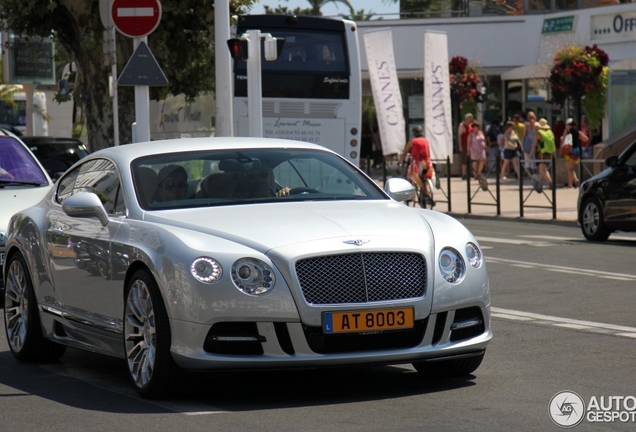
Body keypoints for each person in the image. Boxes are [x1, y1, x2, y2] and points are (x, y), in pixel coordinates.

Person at [398, 125, 434, 207]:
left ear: (414, 133)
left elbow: (405, 152)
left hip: (417, 165)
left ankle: (410, 196)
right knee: (425, 178)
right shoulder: (426, 141)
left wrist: (400, 160)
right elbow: (428, 153)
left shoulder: (413, 141)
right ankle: (426, 194)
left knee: (410, 178)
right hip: (427, 164)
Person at [561, 118, 589, 188]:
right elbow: (586, 139)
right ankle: (575, 180)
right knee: (572, 168)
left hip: (569, 150)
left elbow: (563, 140)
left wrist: (562, 148)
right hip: (576, 150)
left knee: (569, 169)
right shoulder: (577, 132)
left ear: (568, 125)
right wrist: (578, 139)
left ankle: (570, 184)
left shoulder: (567, 131)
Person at [531, 118, 556, 191]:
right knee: (541, 169)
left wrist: (530, 154)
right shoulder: (550, 132)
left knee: (543, 169)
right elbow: (553, 144)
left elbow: (534, 145)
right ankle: (539, 184)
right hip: (549, 153)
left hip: (541, 153)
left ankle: (551, 183)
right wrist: (554, 154)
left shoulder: (539, 133)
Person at [467, 120, 488, 190]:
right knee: (475, 163)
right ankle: (475, 175)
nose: (477, 128)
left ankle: (479, 173)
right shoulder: (471, 134)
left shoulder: (481, 133)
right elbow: (468, 143)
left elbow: (484, 141)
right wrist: (468, 151)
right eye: (475, 127)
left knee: (482, 160)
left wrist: (485, 148)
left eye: (478, 127)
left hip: (481, 150)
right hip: (474, 150)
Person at [457, 113, 474, 180]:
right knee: (464, 159)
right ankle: (464, 174)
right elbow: (459, 136)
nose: (471, 119)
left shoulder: (471, 125)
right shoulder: (462, 125)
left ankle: (471, 173)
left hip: (471, 145)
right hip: (464, 144)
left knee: (470, 159)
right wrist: (460, 146)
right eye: (470, 118)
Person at [521, 111, 537, 176]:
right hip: (528, 143)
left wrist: (534, 126)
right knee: (527, 159)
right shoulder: (526, 125)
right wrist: (526, 128)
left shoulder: (536, 125)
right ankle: (528, 174)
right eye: (529, 117)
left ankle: (533, 173)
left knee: (533, 158)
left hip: (534, 143)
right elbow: (524, 135)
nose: (531, 119)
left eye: (532, 117)